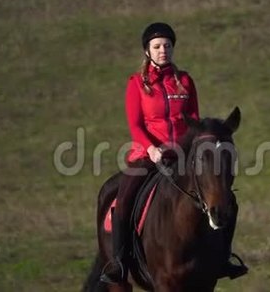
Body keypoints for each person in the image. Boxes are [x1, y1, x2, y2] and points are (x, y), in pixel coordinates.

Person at [100, 22, 247, 284]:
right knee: (123, 200)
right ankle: (119, 263)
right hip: (147, 156)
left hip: (181, 153)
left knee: (226, 198)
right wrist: (151, 149)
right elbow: (136, 124)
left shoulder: (185, 81)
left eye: (167, 46)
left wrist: (193, 147)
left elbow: (193, 120)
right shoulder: (136, 84)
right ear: (147, 51)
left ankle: (223, 258)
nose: (162, 50)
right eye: (157, 46)